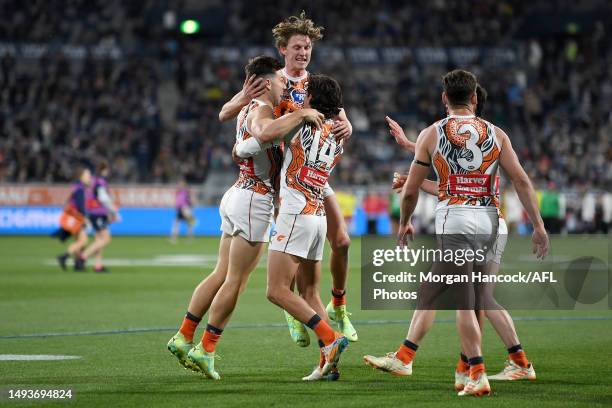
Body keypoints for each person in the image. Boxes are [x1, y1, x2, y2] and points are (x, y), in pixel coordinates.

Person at [364, 70, 549, 397]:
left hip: (458, 221)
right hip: (493, 222)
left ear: (443, 98)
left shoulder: (433, 132)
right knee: (472, 296)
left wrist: (406, 219)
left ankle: (474, 371)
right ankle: (504, 362)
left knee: (464, 301)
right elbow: (519, 180)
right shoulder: (497, 134)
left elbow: (415, 191)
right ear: (475, 98)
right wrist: (538, 225)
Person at [167, 56, 322, 380]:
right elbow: (265, 132)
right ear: (267, 83)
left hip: (239, 192)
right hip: (255, 199)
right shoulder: (261, 110)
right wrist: (303, 113)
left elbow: (243, 131)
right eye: (280, 81)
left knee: (221, 272)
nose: (285, 85)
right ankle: (206, 349)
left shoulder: (247, 108)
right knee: (235, 280)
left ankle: (184, 335)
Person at [218, 12, 357, 346]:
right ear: (283, 49)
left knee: (342, 241)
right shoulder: (272, 81)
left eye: (307, 47)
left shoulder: (314, 84)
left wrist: (347, 125)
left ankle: (337, 306)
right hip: (284, 173)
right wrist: (245, 141)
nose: (303, 53)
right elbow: (228, 113)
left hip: (312, 171)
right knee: (290, 251)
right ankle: (296, 310)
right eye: (297, 47)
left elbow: (339, 114)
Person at [256, 74, 349, 379]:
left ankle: (330, 337)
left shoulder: (302, 125)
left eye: (305, 93)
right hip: (317, 215)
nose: (301, 96)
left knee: (276, 290)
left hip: (295, 213)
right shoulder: (337, 137)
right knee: (310, 292)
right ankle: (328, 365)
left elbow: (269, 132)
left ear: (312, 99)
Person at [78, 161, 120, 273]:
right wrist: (113, 210)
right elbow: (103, 197)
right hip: (98, 213)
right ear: (104, 170)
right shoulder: (100, 181)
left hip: (93, 212)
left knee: (99, 240)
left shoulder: (93, 181)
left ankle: (97, 266)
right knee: (106, 238)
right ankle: (82, 257)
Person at [54, 167, 92, 272]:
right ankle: (64, 257)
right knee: (83, 241)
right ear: (81, 176)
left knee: (78, 241)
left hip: (72, 216)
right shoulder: (80, 189)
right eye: (88, 175)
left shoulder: (76, 186)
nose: (90, 177)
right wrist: (85, 218)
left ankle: (77, 265)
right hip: (77, 217)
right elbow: (80, 206)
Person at [169, 179, 197, 243]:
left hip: (185, 209)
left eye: (181, 184)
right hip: (180, 209)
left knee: (189, 224)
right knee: (176, 223)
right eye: (179, 184)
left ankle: (190, 238)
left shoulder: (186, 192)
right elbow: (177, 202)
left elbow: (190, 200)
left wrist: (190, 208)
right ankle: (174, 238)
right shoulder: (178, 192)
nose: (180, 185)